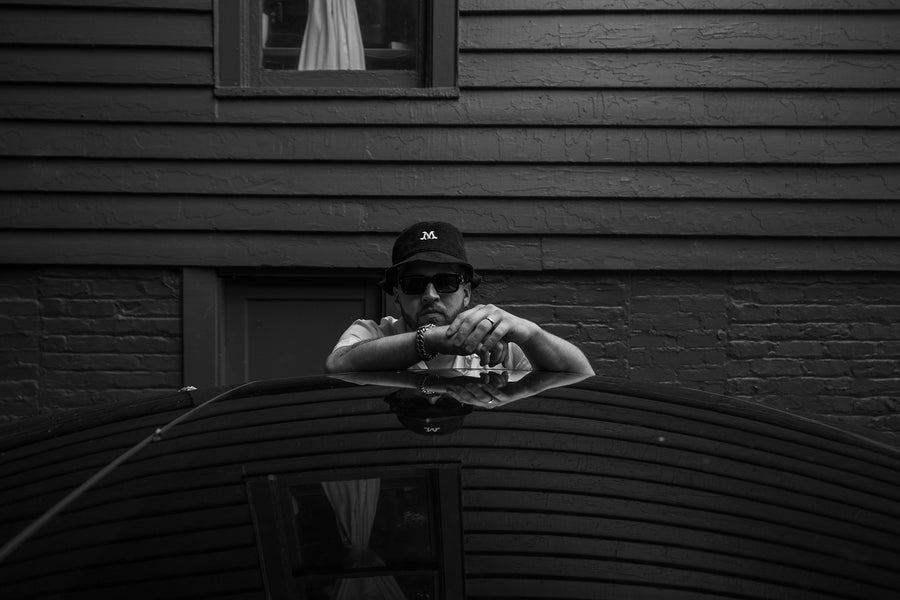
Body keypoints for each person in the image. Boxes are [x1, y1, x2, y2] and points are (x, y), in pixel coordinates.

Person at [325, 221, 594, 375]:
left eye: (445, 282)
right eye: (414, 284)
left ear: (466, 293)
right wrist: (432, 338)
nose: (430, 295)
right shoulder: (371, 332)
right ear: (396, 293)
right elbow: (338, 365)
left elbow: (581, 375)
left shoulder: (496, 339)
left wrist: (531, 334)